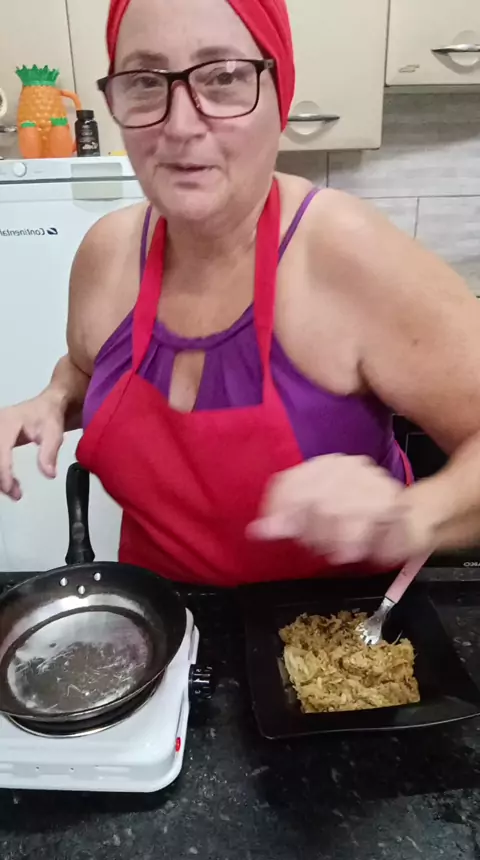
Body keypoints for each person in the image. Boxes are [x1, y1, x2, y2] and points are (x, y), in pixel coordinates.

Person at [1, 0, 480, 587]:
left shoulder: (349, 254)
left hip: (339, 630)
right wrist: (52, 400)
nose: (181, 125)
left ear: (280, 94)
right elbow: (86, 369)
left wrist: (411, 517)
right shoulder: (106, 254)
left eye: (224, 76)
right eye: (146, 81)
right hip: (163, 624)